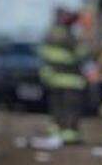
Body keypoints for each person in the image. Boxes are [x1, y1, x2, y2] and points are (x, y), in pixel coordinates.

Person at [38, 9, 88, 144]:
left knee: (56, 109)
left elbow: (44, 55)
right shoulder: (69, 36)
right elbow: (81, 55)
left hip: (54, 79)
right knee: (70, 110)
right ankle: (69, 136)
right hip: (71, 81)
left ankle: (56, 134)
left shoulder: (49, 35)